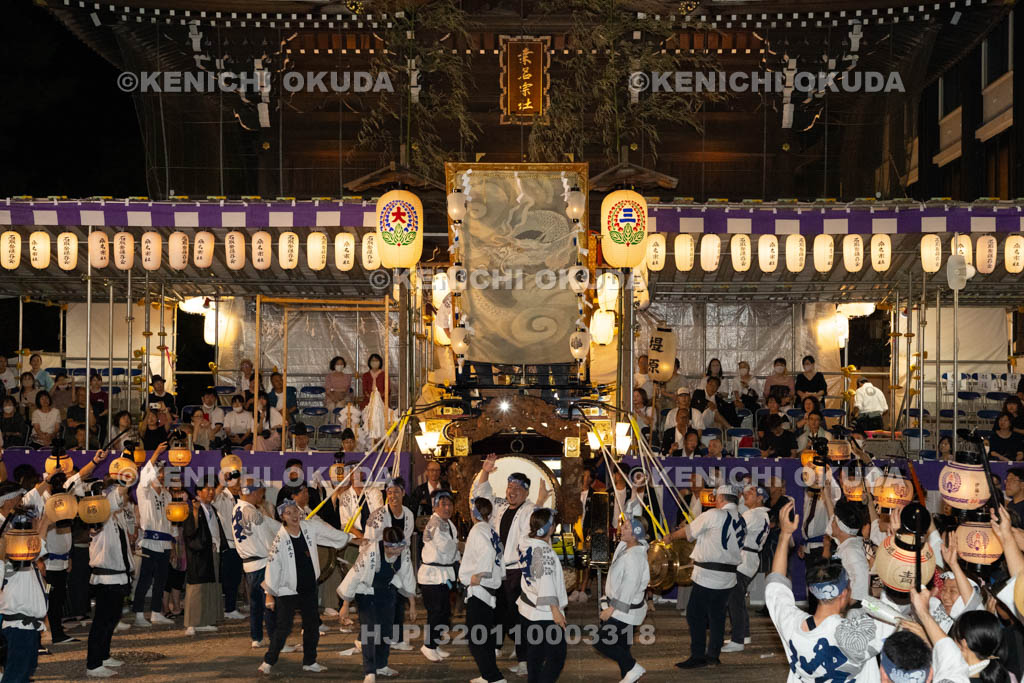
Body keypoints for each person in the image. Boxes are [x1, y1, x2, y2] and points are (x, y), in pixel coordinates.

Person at [765, 501, 881, 681]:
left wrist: (785, 535)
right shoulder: (862, 637)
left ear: (813, 590)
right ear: (844, 594)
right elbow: (896, 615)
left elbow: (776, 585)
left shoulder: (792, 625)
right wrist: (872, 604)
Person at [471, 453, 551, 676]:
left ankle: (525, 659)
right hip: (499, 570)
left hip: (518, 571)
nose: (512, 491)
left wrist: (540, 501)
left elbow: (534, 533)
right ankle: (499, 647)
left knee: (518, 615)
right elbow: (481, 496)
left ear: (526, 492)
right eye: (510, 487)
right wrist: (485, 471)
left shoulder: (529, 510)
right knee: (498, 612)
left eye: (517, 488)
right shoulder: (500, 507)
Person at [258, 497, 351, 675]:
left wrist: (352, 539)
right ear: (282, 517)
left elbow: (330, 533)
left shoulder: (309, 527)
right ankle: (268, 661)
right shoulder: (280, 539)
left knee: (312, 626)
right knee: (283, 628)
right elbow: (273, 566)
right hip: (287, 590)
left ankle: (310, 661)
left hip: (308, 587)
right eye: (288, 513)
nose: (294, 515)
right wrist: (269, 594)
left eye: (295, 511)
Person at [665, 484, 746, 669]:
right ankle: (713, 656)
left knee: (695, 614)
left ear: (721, 498)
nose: (715, 501)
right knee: (717, 615)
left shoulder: (713, 514)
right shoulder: (741, 520)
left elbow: (688, 532)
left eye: (716, 498)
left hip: (708, 574)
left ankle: (698, 655)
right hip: (729, 576)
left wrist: (670, 537)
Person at [338, 525, 416, 683]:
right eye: (394, 548)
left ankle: (382, 665)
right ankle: (370, 670)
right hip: (366, 593)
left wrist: (412, 604)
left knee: (386, 630)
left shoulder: (403, 552)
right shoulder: (370, 552)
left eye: (400, 546)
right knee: (370, 631)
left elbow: (408, 576)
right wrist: (345, 605)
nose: (398, 551)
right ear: (386, 545)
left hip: (387, 591)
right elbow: (354, 576)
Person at [85, 451, 136, 678]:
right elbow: (119, 492)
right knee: (102, 621)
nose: (124, 497)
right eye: (120, 492)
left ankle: (104, 655)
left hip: (119, 574)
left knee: (112, 618)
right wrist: (125, 474)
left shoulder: (118, 514)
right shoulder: (101, 510)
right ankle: (93, 664)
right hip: (105, 576)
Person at [593, 515, 649, 683]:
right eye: (623, 525)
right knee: (622, 648)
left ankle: (633, 667)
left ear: (636, 533)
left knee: (602, 641)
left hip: (625, 611)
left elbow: (628, 588)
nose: (621, 529)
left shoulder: (634, 557)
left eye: (626, 527)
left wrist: (611, 610)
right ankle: (630, 676)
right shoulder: (626, 546)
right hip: (624, 609)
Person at [515, 507, 568, 682]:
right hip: (544, 613)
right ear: (549, 528)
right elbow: (546, 582)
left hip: (528, 608)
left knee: (535, 655)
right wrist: (555, 611)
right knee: (557, 656)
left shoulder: (525, 543)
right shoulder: (544, 552)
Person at [363, 477, 415, 650]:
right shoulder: (377, 515)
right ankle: (364, 639)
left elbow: (406, 541)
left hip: (398, 560)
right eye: (390, 492)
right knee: (378, 605)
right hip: (379, 564)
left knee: (398, 600)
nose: (393, 496)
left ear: (403, 493)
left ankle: (397, 639)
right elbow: (369, 542)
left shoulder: (408, 514)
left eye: (396, 492)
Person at [231, 479, 283, 648]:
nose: (262, 496)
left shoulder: (238, 509)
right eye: (261, 493)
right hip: (262, 564)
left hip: (249, 564)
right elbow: (267, 540)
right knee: (270, 603)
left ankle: (257, 637)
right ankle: (277, 642)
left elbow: (269, 524)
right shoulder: (252, 513)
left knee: (255, 604)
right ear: (253, 492)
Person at [0, 506, 49, 682]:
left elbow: (39, 543)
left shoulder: (25, 554)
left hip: (29, 627)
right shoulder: (10, 560)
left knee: (26, 669)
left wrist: (46, 520)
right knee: (16, 673)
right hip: (18, 627)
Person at [460, 496, 505, 683]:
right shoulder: (491, 530)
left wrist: (479, 574)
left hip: (479, 590)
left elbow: (487, 552)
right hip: (489, 590)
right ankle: (488, 675)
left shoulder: (478, 530)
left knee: (477, 638)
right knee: (484, 637)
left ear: (474, 513)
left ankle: (493, 677)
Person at [722, 483, 771, 653]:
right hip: (750, 558)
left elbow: (734, 531)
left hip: (744, 558)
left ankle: (738, 639)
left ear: (760, 498)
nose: (746, 495)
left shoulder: (753, 514)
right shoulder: (761, 515)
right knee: (738, 599)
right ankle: (744, 634)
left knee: (734, 600)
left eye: (751, 493)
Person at [133, 442, 176, 627]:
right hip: (150, 541)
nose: (161, 476)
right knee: (145, 579)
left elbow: (171, 521)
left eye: (163, 473)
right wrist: (157, 452)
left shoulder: (168, 496)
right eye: (158, 473)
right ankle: (138, 614)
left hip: (165, 542)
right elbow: (144, 474)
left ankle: (156, 612)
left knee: (161, 580)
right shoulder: (144, 491)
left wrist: (173, 543)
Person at [417, 490, 461, 662]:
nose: (447, 508)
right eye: (443, 504)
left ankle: (434, 644)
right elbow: (446, 547)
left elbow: (452, 547)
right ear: (435, 506)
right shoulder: (435, 523)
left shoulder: (447, 523)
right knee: (436, 612)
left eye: (449, 504)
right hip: (432, 576)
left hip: (443, 574)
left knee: (443, 612)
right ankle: (428, 646)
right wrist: (461, 547)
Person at [182, 476, 226, 637]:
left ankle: (205, 620)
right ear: (199, 492)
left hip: (213, 551)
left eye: (213, 489)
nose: (211, 492)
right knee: (197, 587)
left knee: (210, 586)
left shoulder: (212, 508)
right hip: (199, 553)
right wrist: (204, 544)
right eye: (207, 489)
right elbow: (189, 533)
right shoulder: (193, 509)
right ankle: (191, 623)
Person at [213, 467, 245, 620]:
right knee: (228, 578)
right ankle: (228, 608)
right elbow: (213, 499)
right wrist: (222, 482)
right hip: (227, 543)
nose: (238, 485)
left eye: (239, 482)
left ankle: (231, 607)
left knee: (236, 577)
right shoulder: (223, 496)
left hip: (240, 543)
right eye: (236, 482)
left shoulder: (240, 497)